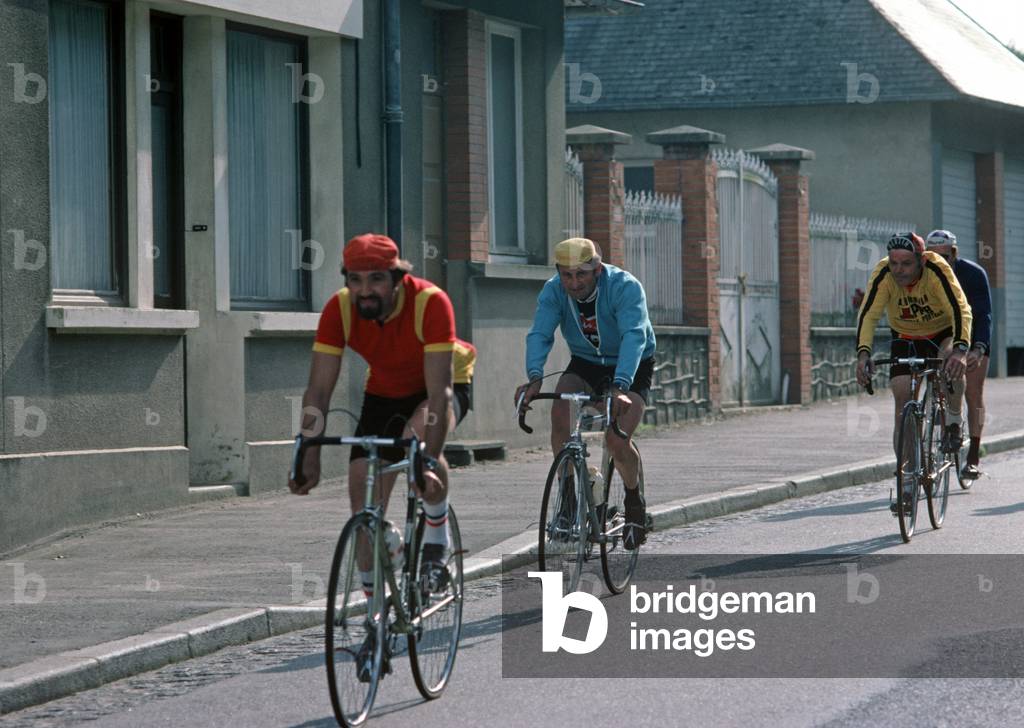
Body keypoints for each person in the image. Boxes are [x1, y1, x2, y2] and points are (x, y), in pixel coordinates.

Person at [288, 233, 476, 599]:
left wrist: (425, 461)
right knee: (363, 507)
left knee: (414, 443)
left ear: (397, 278)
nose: (365, 290)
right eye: (355, 280)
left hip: (439, 386)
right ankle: (376, 617)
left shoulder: (430, 302)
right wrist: (309, 452)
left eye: (376, 279)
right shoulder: (339, 309)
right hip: (385, 393)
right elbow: (319, 391)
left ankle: (437, 539)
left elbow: (439, 394)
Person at [514, 238, 656, 549]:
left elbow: (634, 336)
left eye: (582, 274)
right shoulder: (553, 291)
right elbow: (540, 332)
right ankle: (567, 502)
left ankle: (634, 503)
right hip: (586, 362)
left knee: (616, 439)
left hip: (630, 364)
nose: (574, 283)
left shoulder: (624, 287)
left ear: (597, 270)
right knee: (560, 414)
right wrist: (534, 378)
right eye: (567, 275)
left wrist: (621, 386)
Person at [855, 232, 973, 509]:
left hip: (942, 333)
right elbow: (869, 313)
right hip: (906, 337)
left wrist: (960, 350)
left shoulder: (936, 269)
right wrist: (863, 355)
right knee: (901, 399)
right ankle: (907, 481)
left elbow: (961, 309)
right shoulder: (883, 272)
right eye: (894, 263)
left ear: (921, 260)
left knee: (950, 365)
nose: (899, 270)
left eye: (906, 264)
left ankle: (954, 422)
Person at [924, 230, 992, 480]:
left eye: (944, 256)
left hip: (973, 336)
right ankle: (941, 421)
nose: (939, 261)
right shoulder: (924, 274)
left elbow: (984, 315)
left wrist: (978, 348)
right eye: (932, 256)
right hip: (942, 335)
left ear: (953, 253)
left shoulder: (973, 274)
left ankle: (973, 455)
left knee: (974, 391)